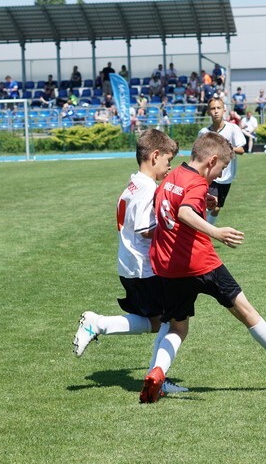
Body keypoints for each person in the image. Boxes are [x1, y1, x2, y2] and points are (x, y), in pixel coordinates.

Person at [139, 132, 266, 402]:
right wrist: (215, 231)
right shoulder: (198, 183)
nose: (220, 175)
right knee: (246, 310)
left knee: (177, 328)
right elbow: (184, 212)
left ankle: (157, 372)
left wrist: (203, 203)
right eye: (222, 169)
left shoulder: (173, 176)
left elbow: (169, 204)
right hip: (200, 262)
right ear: (211, 160)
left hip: (168, 265)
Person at [70, 130, 187, 388]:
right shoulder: (147, 188)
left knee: (157, 322)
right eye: (168, 160)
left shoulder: (132, 184)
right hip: (145, 267)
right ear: (155, 156)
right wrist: (178, 225)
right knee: (174, 322)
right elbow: (145, 229)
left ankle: (99, 325)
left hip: (129, 265)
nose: (170, 167)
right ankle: (156, 377)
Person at [197, 97, 246, 225]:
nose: (216, 111)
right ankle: (202, 234)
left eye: (219, 108)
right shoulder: (204, 132)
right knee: (208, 205)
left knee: (217, 208)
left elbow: (241, 150)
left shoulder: (233, 129)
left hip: (227, 176)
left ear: (224, 110)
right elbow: (198, 153)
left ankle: (205, 231)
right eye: (213, 108)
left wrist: (226, 148)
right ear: (208, 112)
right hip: (209, 175)